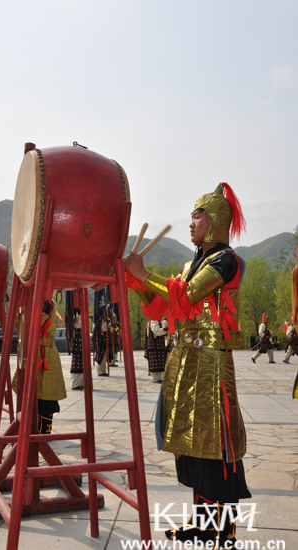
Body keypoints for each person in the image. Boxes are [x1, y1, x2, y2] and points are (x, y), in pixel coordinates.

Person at [125, 183, 250, 549]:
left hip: (212, 365)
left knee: (215, 448)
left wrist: (147, 275)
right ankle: (202, 524)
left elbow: (189, 295)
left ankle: (223, 530)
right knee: (193, 447)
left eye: (197, 216)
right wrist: (138, 281)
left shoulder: (225, 261)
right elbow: (162, 307)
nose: (191, 222)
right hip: (187, 363)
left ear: (214, 221)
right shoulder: (191, 263)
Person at [13, 300, 67, 434]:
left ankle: (43, 431)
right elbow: (18, 324)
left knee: (46, 397)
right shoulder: (30, 301)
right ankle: (32, 429)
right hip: (34, 352)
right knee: (32, 394)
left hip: (45, 354)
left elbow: (33, 324)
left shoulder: (46, 303)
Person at [144, 318, 169, 383]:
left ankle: (158, 378)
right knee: (155, 362)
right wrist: (166, 329)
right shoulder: (153, 320)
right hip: (154, 346)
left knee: (160, 361)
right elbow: (156, 331)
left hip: (158, 346)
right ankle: (155, 378)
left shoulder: (158, 320)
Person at [93, 308, 113, 376]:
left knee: (104, 358)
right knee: (101, 357)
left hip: (104, 342)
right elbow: (104, 328)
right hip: (101, 342)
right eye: (106, 312)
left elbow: (110, 330)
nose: (107, 313)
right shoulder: (101, 320)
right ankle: (101, 372)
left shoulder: (104, 320)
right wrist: (107, 323)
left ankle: (103, 371)